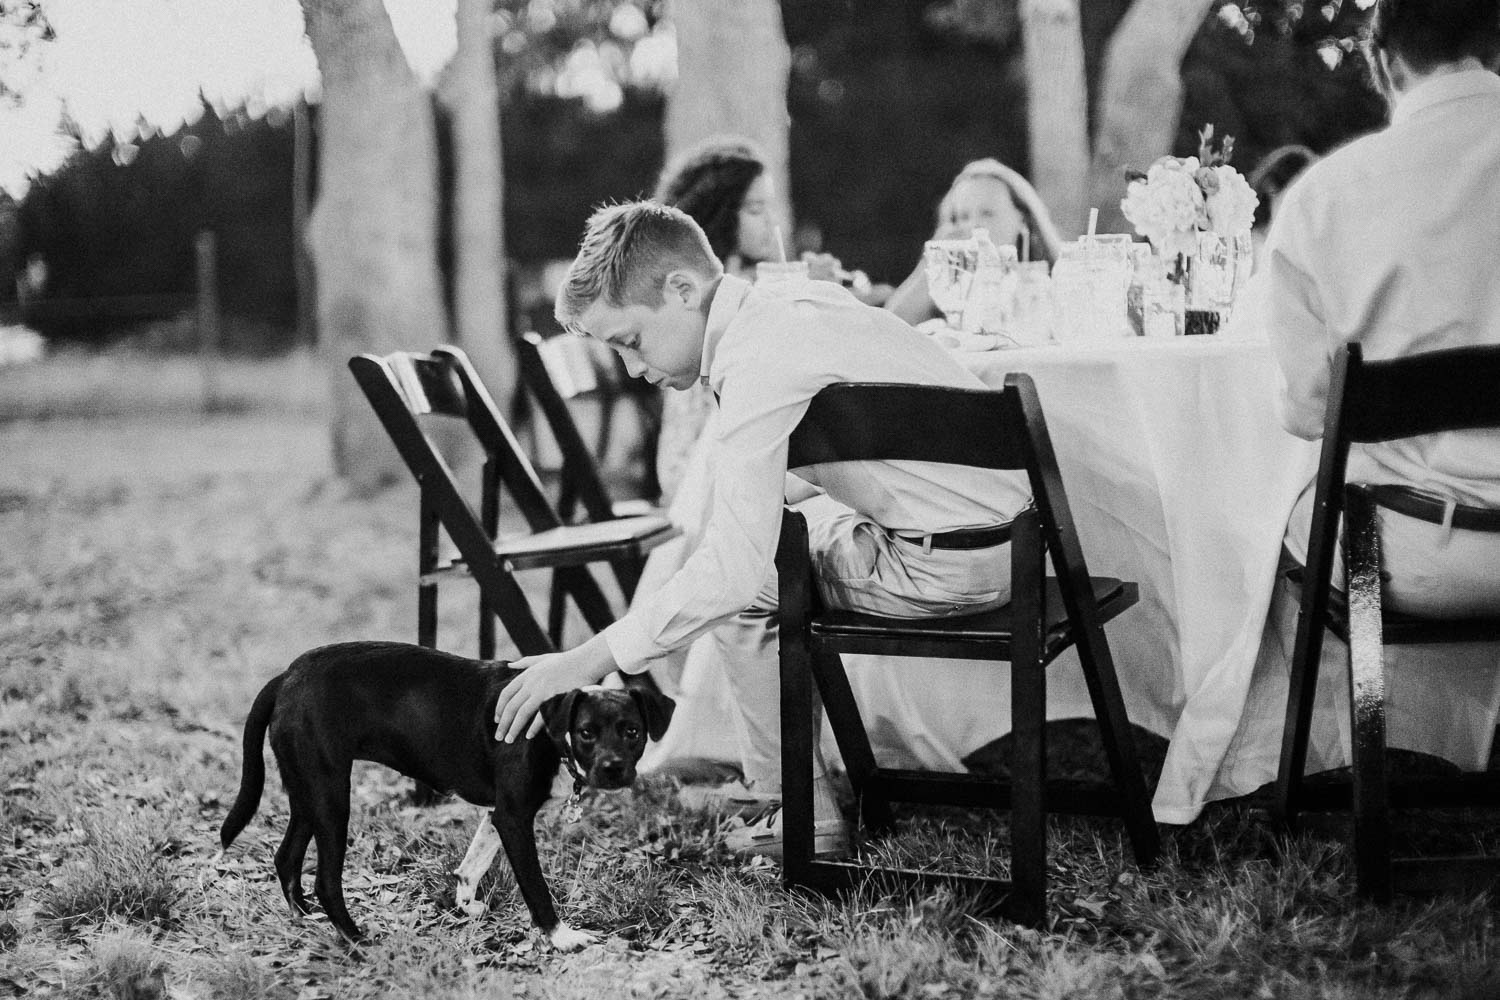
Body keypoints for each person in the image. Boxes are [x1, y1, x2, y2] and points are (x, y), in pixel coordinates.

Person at [493, 201, 1031, 858]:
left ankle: (801, 811)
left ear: (683, 290)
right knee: (761, 545)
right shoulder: (794, 305)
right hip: (1021, 545)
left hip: (946, 568)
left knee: (741, 586)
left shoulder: (755, 357)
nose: (636, 371)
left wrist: (584, 660)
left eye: (632, 342)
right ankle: (800, 788)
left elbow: (735, 571)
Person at [1236, 0, 1500, 778]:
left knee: (1279, 525)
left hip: (1409, 556)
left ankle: (1348, 761)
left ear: (1384, 62)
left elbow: (1308, 409)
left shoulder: (1326, 197)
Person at [651, 138, 779, 506]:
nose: (772, 222)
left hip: (709, 467)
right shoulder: (710, 296)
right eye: (756, 209)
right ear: (719, 213)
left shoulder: (742, 286)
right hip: (699, 476)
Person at [884, 158, 1065, 327]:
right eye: (963, 217)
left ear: (1023, 218)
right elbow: (891, 327)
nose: (974, 226)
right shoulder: (953, 292)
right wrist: (933, 263)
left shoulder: (1057, 276)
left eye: (987, 213)